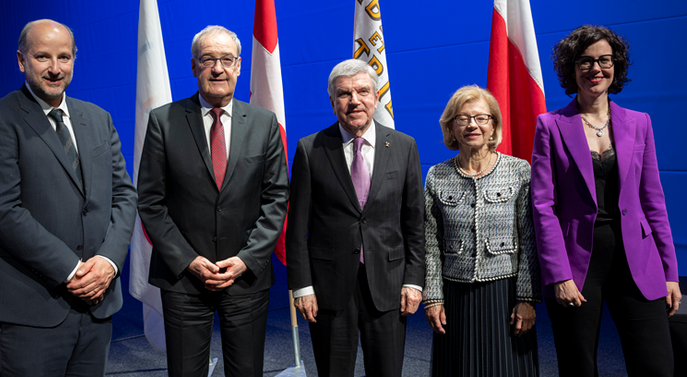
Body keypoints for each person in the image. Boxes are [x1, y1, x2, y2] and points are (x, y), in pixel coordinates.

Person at [0, 19, 137, 376]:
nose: (55, 68)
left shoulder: (98, 118)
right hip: (30, 305)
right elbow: (2, 211)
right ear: (21, 60)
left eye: (64, 57)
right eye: (43, 57)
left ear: (75, 59)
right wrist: (72, 271)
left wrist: (108, 262)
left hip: (97, 302)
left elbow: (124, 195)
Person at [137, 25, 289, 377]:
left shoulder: (264, 124)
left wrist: (246, 259)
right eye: (208, 60)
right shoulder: (163, 121)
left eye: (226, 60)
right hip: (184, 279)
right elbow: (150, 201)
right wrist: (188, 260)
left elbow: (276, 197)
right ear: (194, 67)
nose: (217, 68)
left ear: (238, 66)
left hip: (245, 277)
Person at [531, 25, 682, 376]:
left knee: (657, 366)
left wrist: (670, 273)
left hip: (638, 258)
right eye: (585, 61)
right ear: (571, 69)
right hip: (577, 262)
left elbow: (653, 202)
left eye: (604, 60)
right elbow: (543, 206)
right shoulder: (550, 125)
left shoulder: (639, 122)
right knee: (579, 367)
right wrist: (558, 274)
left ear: (616, 67)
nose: (595, 69)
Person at [285, 59, 425, 377]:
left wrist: (414, 281)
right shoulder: (310, 149)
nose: (354, 100)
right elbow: (296, 230)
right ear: (332, 101)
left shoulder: (404, 147)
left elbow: (415, 223)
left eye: (363, 91)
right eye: (344, 94)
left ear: (376, 97)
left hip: (388, 285)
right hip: (328, 289)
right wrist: (302, 287)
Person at [423, 85, 540, 376]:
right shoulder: (436, 175)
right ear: (451, 127)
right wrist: (433, 297)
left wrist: (527, 298)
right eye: (462, 118)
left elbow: (530, 239)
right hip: (454, 296)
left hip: (505, 294)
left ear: (493, 126)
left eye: (481, 118)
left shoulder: (519, 170)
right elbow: (429, 242)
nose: (472, 125)